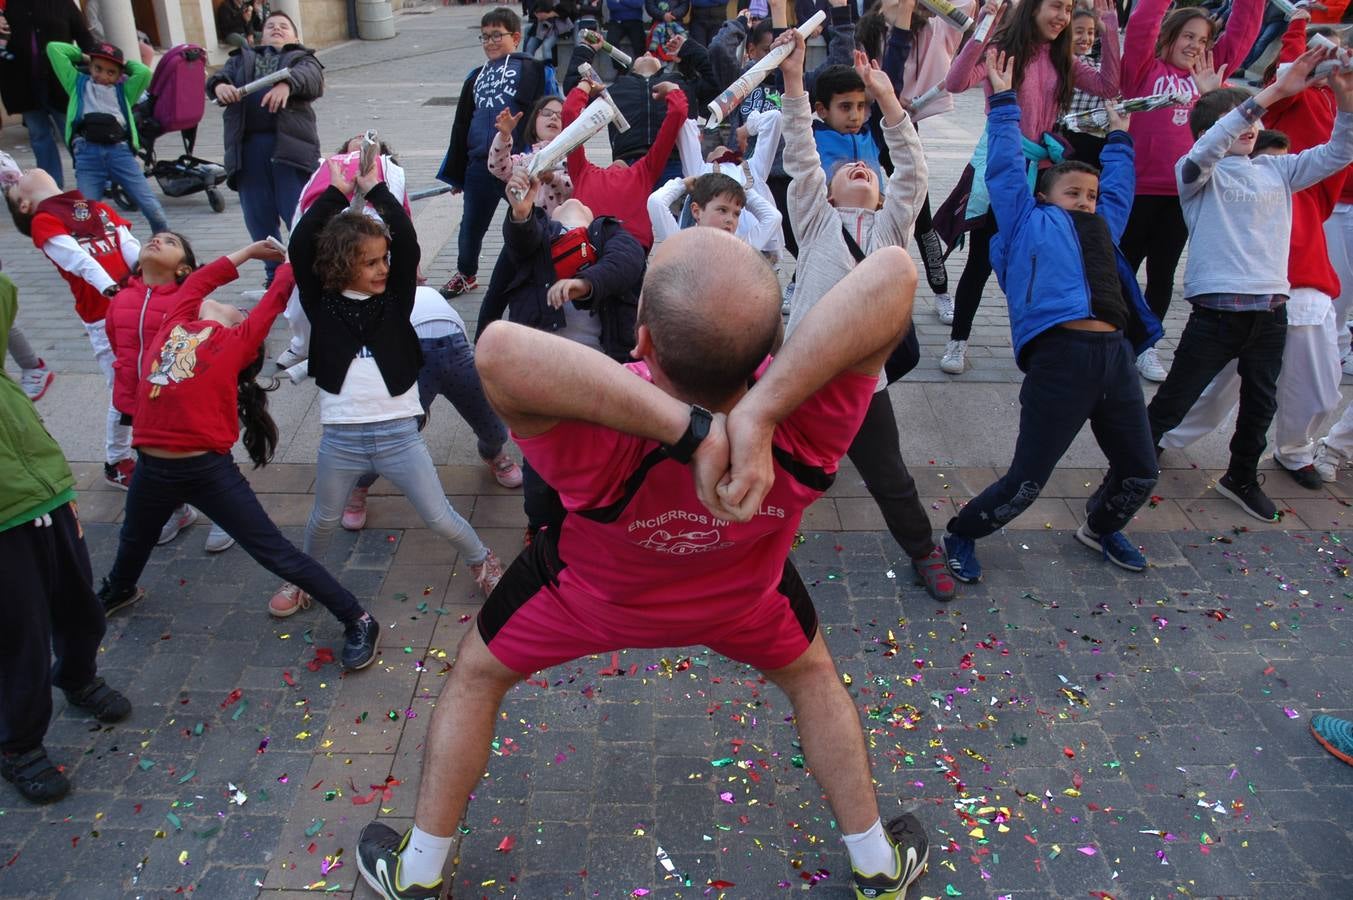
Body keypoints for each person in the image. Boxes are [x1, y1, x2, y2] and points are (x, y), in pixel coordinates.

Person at [354, 229, 930, 900]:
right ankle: (877, 866)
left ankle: (419, 873)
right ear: (774, 345)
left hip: (583, 601)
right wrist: (751, 415)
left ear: (643, 339)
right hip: (745, 601)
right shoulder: (803, 418)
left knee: (476, 679)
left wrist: (706, 426)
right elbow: (892, 272)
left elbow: (498, 350)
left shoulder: (599, 412)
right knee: (812, 679)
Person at [93, 259, 384, 672]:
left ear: (239, 325)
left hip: (206, 472)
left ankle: (358, 618)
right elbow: (194, 283)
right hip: (150, 468)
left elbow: (275, 297)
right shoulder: (171, 328)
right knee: (134, 537)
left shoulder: (234, 343)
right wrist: (245, 253)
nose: (219, 304)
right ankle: (120, 588)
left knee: (274, 552)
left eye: (235, 309)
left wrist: (289, 263)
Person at [942, 51, 1162, 584]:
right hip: (1060, 360)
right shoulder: (1023, 222)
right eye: (1073, 193)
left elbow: (1119, 187)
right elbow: (1001, 167)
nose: (1086, 201)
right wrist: (1001, 101)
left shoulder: (1105, 224)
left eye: (1090, 194)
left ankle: (1101, 527)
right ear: (1043, 195)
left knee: (1140, 471)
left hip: (1115, 359)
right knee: (1026, 483)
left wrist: (1119, 134)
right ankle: (961, 533)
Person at [273, 160, 505, 617]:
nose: (382, 269)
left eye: (384, 260)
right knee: (322, 519)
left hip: (400, 435)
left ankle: (484, 562)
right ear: (341, 265)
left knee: (439, 515)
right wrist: (336, 195)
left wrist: (377, 190)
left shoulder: (396, 302)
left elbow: (409, 242)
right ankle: (303, 579)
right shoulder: (324, 305)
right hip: (341, 439)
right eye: (370, 263)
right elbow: (301, 248)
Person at [779, 31, 953, 600]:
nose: (863, 173)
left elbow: (913, 173)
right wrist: (793, 79)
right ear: (824, 190)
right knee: (773, 472)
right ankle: (744, 555)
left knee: (891, 477)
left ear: (881, 195)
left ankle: (924, 550)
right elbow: (801, 152)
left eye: (871, 175)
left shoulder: (889, 230)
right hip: (798, 374)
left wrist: (890, 104)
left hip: (862, 384)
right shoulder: (814, 223)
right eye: (849, 172)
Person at [1145, 52, 1353, 523]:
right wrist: (1273, 93)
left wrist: (1344, 100)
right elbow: (1213, 142)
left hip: (1270, 312)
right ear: (1205, 133)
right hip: (1215, 315)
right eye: (1235, 119)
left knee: (1259, 405)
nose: (1248, 125)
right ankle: (1135, 460)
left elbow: (1340, 152)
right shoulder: (1196, 172)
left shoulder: (1278, 170)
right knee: (1177, 396)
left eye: (1252, 119)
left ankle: (1240, 475)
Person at [0, 271, 132, 805]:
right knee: (19, 637)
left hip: (47, 493)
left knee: (80, 609)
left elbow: (5, 291)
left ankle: (77, 677)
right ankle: (17, 744)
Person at [938, 0, 1121, 376]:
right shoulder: (1000, 52)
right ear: (1032, 9)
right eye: (1056, 6)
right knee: (981, 261)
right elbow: (955, 82)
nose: (1062, 17)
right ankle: (958, 339)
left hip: (1045, 173)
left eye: (1068, 10)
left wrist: (1110, 25)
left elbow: (1109, 85)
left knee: (1036, 260)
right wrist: (987, 22)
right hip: (1002, 171)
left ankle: (1038, 340)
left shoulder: (1063, 59)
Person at [478, 170, 647, 536]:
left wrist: (585, 284)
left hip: (606, 371)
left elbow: (627, 263)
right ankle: (542, 527)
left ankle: (600, 526)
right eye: (553, 202)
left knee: (605, 458)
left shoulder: (609, 234)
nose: (565, 202)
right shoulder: (536, 241)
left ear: (592, 214)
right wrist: (521, 215)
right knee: (543, 464)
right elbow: (502, 279)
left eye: (573, 199)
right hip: (544, 376)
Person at [104, 234, 280, 554]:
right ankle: (178, 511)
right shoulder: (120, 299)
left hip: (191, 408)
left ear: (185, 269)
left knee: (207, 467)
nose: (157, 241)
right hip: (141, 404)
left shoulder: (191, 306)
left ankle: (223, 515)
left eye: (169, 242)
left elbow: (216, 348)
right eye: (154, 238)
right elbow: (116, 346)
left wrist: (250, 253)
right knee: (156, 467)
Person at [1117, 0, 1262, 382]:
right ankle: (1113, 343)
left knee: (1162, 275)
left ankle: (1145, 346)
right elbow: (1142, 24)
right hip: (1136, 191)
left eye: (1203, 40)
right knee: (1122, 271)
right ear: (1168, 37)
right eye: (1188, 36)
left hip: (1183, 194)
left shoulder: (1211, 80)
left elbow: (1244, 30)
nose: (1196, 45)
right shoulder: (1143, 69)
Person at [5, 166, 137, 489]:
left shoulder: (96, 208)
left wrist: (160, 275)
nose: (22, 173)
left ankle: (154, 442)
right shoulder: (43, 222)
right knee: (123, 389)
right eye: (18, 183)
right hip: (104, 318)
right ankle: (116, 460)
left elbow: (130, 245)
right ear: (25, 204)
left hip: (135, 304)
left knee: (144, 379)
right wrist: (112, 289)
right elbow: (78, 259)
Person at [436, 7, 552, 299]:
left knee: (531, 218)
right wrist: (456, 173)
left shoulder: (535, 69)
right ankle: (466, 273)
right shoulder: (474, 77)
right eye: (485, 37)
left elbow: (552, 109)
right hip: (478, 163)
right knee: (471, 226)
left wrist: (545, 155)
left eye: (496, 36)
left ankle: (543, 266)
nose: (490, 42)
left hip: (517, 163)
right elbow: (462, 124)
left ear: (515, 36)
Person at [207, 11, 324, 287]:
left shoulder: (302, 58)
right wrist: (220, 85)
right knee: (259, 219)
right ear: (261, 34)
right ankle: (275, 277)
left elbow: (311, 78)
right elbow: (216, 80)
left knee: (298, 216)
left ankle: (308, 274)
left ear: (295, 36)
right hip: (248, 151)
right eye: (271, 26)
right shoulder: (241, 59)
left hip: (289, 151)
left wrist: (287, 83)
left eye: (284, 26)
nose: (277, 29)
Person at [46, 40, 170, 236]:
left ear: (119, 75)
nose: (103, 76)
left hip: (119, 153)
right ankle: (92, 256)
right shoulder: (77, 84)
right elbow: (54, 49)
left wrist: (123, 63)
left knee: (153, 209)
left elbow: (144, 73)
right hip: (87, 156)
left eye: (111, 72)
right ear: (90, 66)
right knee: (85, 216)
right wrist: (85, 56)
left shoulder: (124, 92)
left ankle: (166, 246)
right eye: (98, 68)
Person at [561, 78, 688, 250]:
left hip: (606, 252)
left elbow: (569, 113)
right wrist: (673, 89)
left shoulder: (583, 172)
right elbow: (569, 115)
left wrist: (585, 87)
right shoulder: (643, 172)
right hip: (597, 251)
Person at [0, 0, 94, 188]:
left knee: (73, 133)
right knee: (39, 136)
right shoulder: (8, 6)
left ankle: (93, 178)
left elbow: (83, 36)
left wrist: (96, 65)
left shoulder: (62, 4)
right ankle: (51, 185)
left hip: (59, 82)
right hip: (23, 83)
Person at [648, 170, 783, 248]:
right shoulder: (682, 245)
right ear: (696, 211)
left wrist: (743, 191)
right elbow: (656, 202)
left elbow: (773, 217)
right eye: (722, 210)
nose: (730, 220)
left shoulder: (740, 249)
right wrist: (682, 184)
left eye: (736, 214)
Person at [487, 96, 575, 215]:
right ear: (534, 122)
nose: (554, 117)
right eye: (547, 113)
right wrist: (504, 136)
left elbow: (577, 188)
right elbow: (497, 167)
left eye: (560, 115)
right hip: (529, 227)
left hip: (563, 228)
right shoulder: (524, 160)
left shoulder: (573, 159)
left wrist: (553, 178)